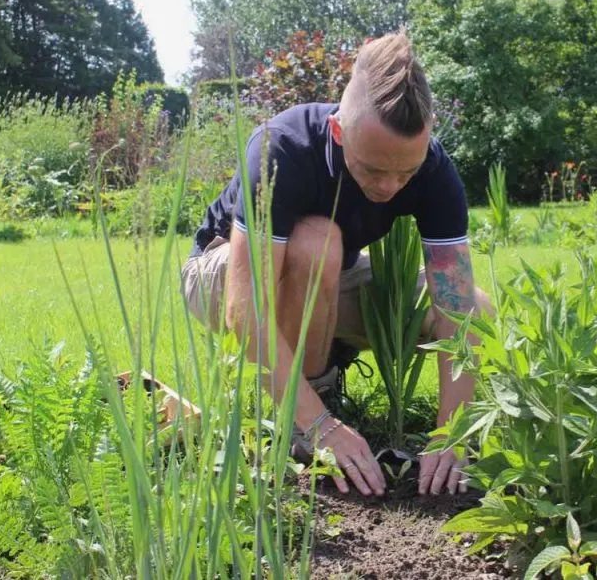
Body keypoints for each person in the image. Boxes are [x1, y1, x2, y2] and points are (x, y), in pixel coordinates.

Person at [180, 29, 491, 498]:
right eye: (372, 169)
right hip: (220, 276)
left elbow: (457, 307)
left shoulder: (433, 169)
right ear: (339, 132)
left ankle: (329, 405)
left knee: (478, 306)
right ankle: (307, 419)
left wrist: (452, 432)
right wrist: (323, 425)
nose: (390, 187)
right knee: (315, 241)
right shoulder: (281, 149)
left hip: (329, 274)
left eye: (405, 172)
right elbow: (244, 314)